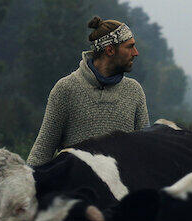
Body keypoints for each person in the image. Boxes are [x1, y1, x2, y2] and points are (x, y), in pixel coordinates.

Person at [27, 16, 150, 166]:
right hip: (75, 188)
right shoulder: (66, 89)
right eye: (130, 47)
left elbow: (146, 151)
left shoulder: (134, 91)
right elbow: (42, 151)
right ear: (110, 50)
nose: (135, 52)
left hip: (122, 189)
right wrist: (27, 185)